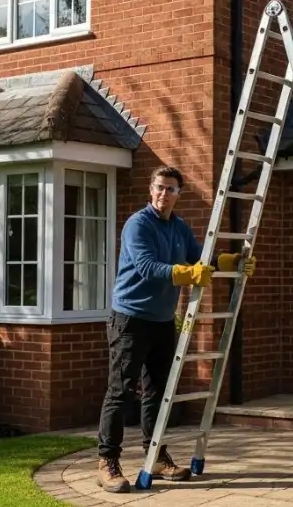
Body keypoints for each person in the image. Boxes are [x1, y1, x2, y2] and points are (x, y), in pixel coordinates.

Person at [96, 165, 256, 494]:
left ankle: (155, 456)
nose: (163, 194)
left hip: (162, 321)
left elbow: (201, 258)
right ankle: (106, 462)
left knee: (158, 392)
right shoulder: (137, 225)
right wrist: (186, 273)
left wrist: (231, 262)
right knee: (120, 391)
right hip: (130, 319)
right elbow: (147, 266)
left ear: (178, 195)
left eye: (170, 189)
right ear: (149, 189)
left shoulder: (180, 227)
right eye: (159, 187)